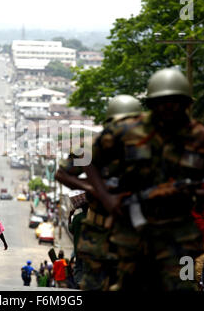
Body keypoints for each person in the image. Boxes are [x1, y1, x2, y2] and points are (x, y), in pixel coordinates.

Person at [84, 68, 204, 291]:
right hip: (134, 233)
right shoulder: (128, 131)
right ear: (152, 104)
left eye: (175, 101)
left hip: (182, 235)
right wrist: (106, 198)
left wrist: (190, 193)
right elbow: (90, 161)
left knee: (184, 286)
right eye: (162, 102)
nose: (168, 108)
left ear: (186, 103)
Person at [55, 94, 142, 291]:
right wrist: (97, 189)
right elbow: (62, 174)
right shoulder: (91, 148)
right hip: (99, 232)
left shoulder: (147, 149)